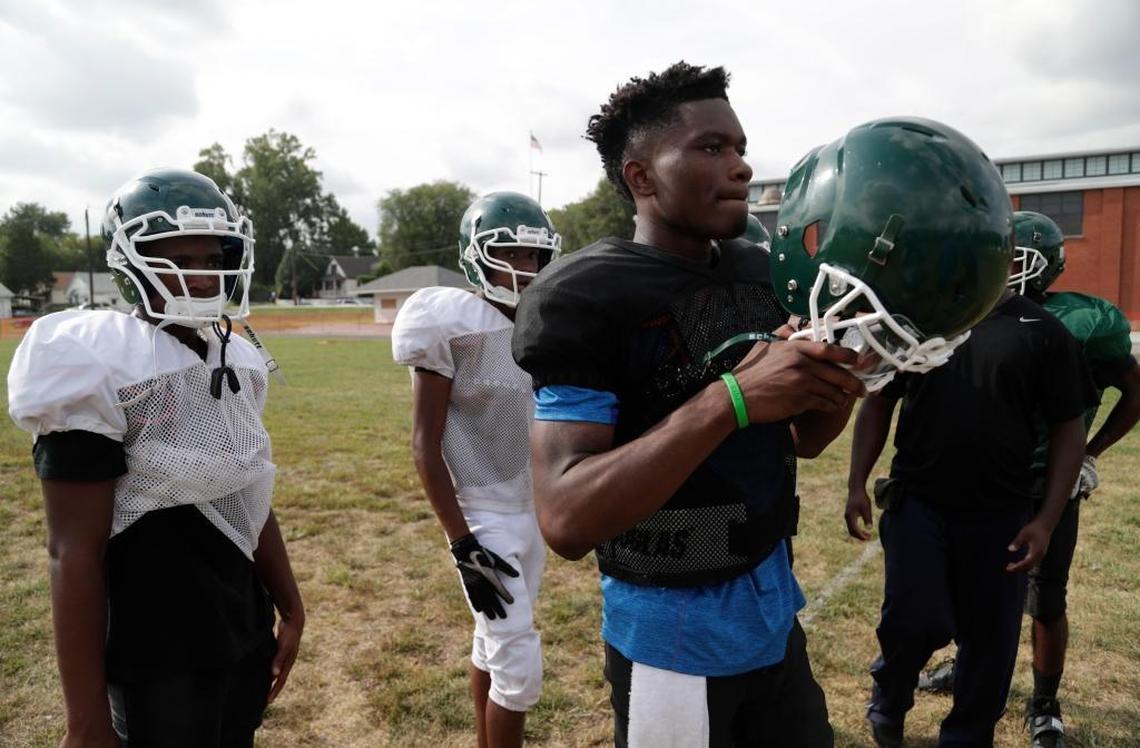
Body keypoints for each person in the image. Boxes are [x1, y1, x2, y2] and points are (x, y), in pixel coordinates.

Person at [512, 60, 875, 748]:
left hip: (771, 606)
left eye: (739, 147)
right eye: (710, 148)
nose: (739, 166)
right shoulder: (584, 295)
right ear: (641, 177)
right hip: (671, 628)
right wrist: (730, 400)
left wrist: (849, 363)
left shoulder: (757, 267)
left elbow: (807, 439)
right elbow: (565, 516)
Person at [6, 168, 304, 747]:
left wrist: (289, 603)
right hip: (154, 639)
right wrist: (84, 720)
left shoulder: (234, 356)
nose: (201, 274)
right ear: (131, 264)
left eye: (212, 255)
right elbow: (73, 551)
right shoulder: (95, 362)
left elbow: (249, 489)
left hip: (239, 618)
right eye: (178, 258)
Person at [845, 218, 1098, 746]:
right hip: (920, 502)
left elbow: (1068, 430)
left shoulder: (1043, 331)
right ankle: (889, 699)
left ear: (1007, 259)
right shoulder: (925, 318)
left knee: (990, 642)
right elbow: (880, 401)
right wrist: (855, 483)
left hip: (1003, 510)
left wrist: (1047, 519)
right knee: (915, 619)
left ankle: (966, 735)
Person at [918, 211, 1140, 748]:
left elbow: (1136, 390)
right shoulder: (973, 307)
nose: (1004, 266)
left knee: (1046, 596)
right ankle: (971, 671)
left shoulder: (1085, 321)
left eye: (1016, 258)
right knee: (969, 589)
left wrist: (1092, 450)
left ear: (1044, 264)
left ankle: (1045, 702)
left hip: (1045, 487)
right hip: (981, 478)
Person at [391, 191, 561, 748]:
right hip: (481, 509)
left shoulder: (543, 320)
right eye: (511, 254)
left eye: (535, 256)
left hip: (532, 509)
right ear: (476, 255)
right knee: (519, 667)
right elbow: (425, 442)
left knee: (493, 641)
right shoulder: (449, 320)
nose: (526, 268)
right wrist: (462, 542)